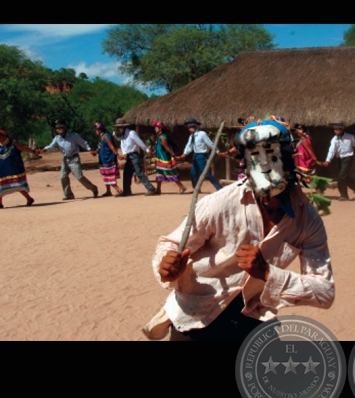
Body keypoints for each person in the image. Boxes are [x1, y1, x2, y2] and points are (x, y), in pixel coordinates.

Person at [143, 118, 334, 341]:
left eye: (272, 153)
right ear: (243, 162)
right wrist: (167, 265)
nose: (264, 163)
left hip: (253, 316)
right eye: (254, 155)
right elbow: (172, 244)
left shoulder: (307, 220)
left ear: (289, 157)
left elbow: (324, 292)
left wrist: (267, 273)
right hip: (196, 317)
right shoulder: (219, 204)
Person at [39, 121, 98, 200]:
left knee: (79, 177)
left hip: (74, 158)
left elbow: (83, 143)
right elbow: (51, 146)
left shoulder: (73, 136)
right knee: (63, 177)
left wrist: (89, 149)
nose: (59, 129)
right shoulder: (57, 138)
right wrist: (44, 150)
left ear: (64, 128)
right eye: (57, 128)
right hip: (65, 159)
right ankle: (69, 195)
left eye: (60, 128)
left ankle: (93, 188)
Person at [0, 127, 37, 208]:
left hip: (13, 169)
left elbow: (23, 148)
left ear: (4, 136)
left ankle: (29, 199)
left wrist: (33, 151)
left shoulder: (13, 143)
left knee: (18, 185)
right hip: (1, 171)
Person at [319, 121, 355, 201]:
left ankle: (344, 195)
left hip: (348, 158)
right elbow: (331, 151)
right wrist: (328, 160)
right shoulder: (334, 139)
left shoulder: (350, 137)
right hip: (340, 159)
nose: (337, 131)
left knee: (341, 177)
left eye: (338, 129)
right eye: (335, 129)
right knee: (345, 177)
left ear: (342, 129)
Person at [176, 117, 223, 191]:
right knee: (193, 173)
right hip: (195, 156)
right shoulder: (191, 136)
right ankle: (196, 189)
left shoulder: (202, 134)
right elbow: (189, 146)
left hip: (202, 156)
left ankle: (219, 188)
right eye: (188, 127)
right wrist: (184, 154)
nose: (188, 129)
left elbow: (210, 144)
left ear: (194, 127)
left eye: (190, 127)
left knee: (206, 173)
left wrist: (217, 151)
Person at [113, 118, 156, 197]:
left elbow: (139, 142)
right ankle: (127, 190)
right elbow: (123, 146)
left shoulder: (131, 133)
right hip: (128, 156)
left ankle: (151, 188)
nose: (118, 129)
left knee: (139, 172)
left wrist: (147, 150)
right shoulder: (122, 136)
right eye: (118, 128)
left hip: (134, 155)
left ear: (124, 127)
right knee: (126, 173)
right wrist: (124, 154)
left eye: (120, 127)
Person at [152, 120, 187, 194]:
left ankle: (181, 186)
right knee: (159, 173)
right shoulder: (159, 137)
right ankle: (158, 189)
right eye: (155, 127)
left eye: (157, 127)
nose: (155, 129)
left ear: (160, 129)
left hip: (164, 158)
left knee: (170, 173)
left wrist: (174, 156)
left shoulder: (162, 137)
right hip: (160, 158)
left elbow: (167, 148)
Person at [90, 122, 122, 197]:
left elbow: (111, 146)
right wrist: (95, 152)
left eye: (96, 130)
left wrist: (117, 154)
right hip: (103, 160)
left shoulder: (106, 136)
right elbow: (100, 147)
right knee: (105, 175)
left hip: (108, 159)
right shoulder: (101, 138)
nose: (96, 131)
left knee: (108, 175)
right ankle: (108, 191)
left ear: (100, 130)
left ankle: (118, 189)